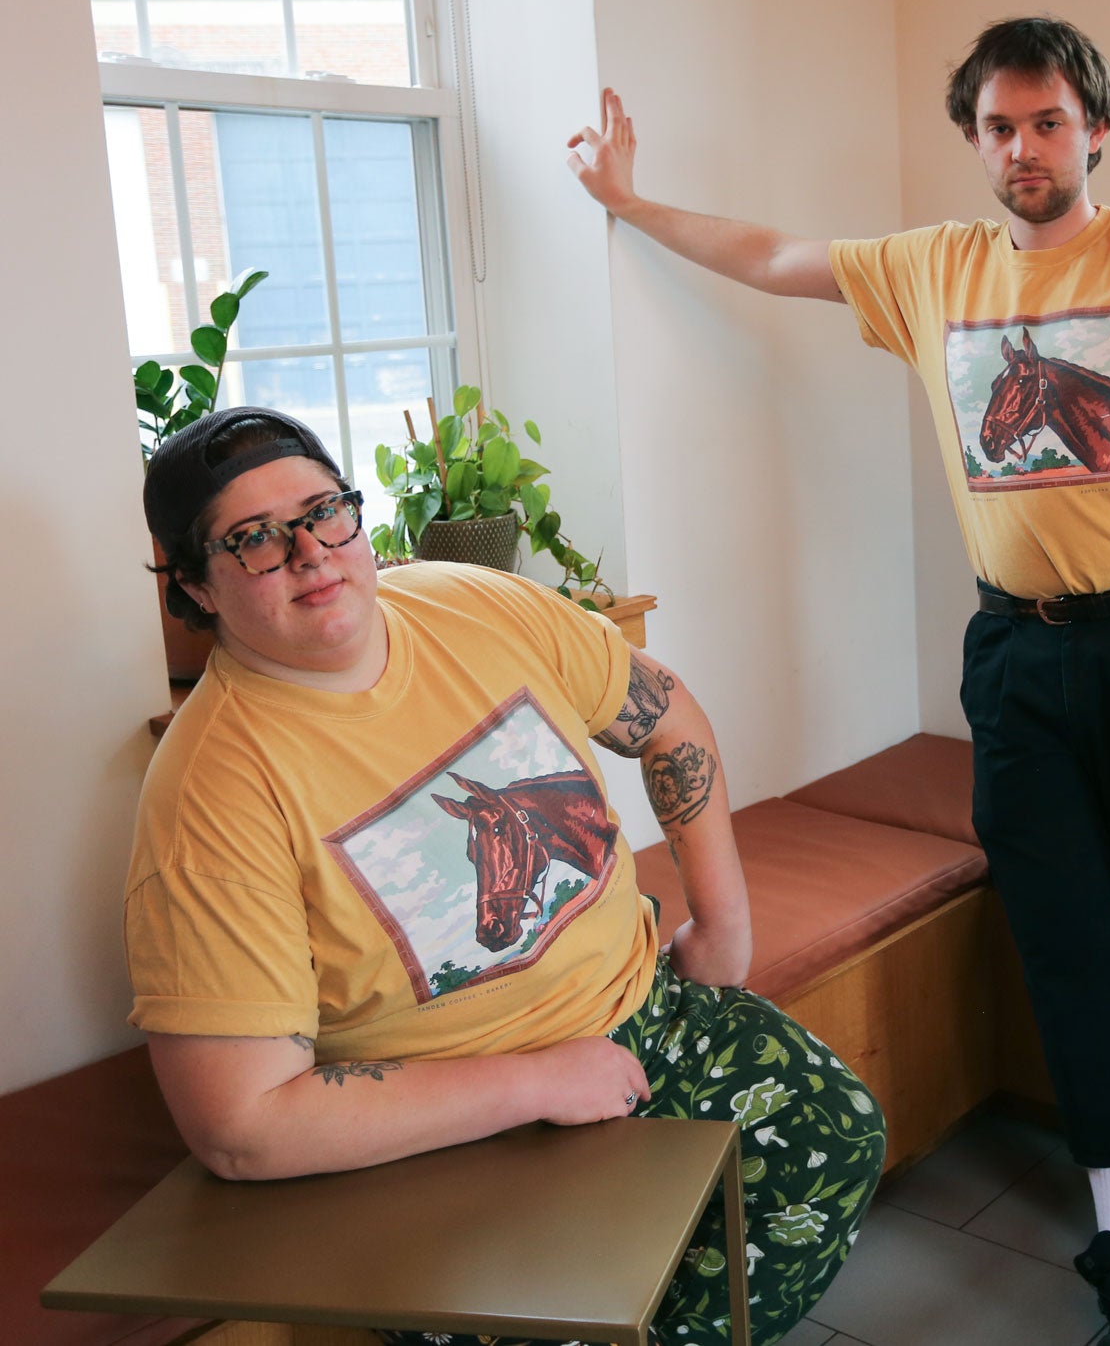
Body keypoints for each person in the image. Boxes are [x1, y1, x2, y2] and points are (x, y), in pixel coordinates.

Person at [566, 16, 1110, 1345]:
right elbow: (775, 257)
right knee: (1064, 927)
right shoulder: (933, 271)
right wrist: (628, 203)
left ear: (1095, 130)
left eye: (1048, 122)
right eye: (999, 127)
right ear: (974, 140)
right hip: (1016, 652)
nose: (1024, 147)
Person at [129, 406, 885, 1346]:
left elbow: (664, 715)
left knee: (834, 1140)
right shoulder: (211, 797)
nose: (312, 552)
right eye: (253, 540)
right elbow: (239, 1127)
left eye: (325, 511)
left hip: (646, 1013)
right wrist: (533, 1083)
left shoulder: (470, 604)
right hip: (439, 1130)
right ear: (194, 586)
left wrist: (723, 922)